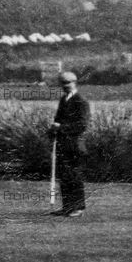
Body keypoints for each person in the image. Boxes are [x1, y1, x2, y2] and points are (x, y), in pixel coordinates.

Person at [48, 72, 90, 218]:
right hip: (62, 144)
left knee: (75, 176)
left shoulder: (81, 101)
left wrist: (61, 128)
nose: (65, 86)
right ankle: (67, 207)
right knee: (65, 176)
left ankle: (78, 207)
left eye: (68, 83)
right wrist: (53, 131)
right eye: (63, 83)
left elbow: (82, 125)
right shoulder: (63, 100)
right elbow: (57, 119)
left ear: (74, 82)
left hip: (75, 145)